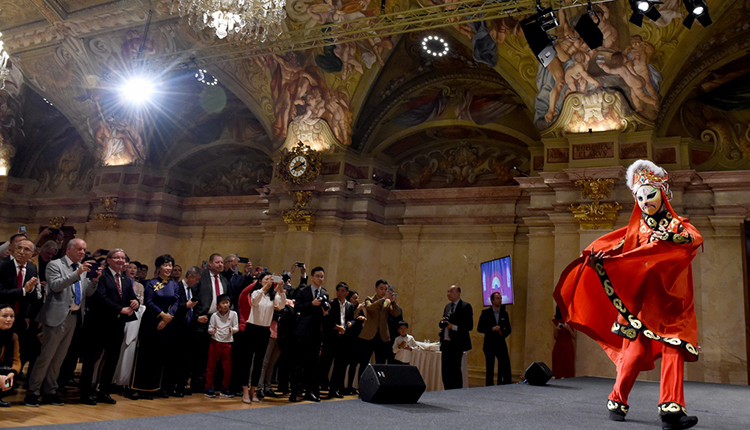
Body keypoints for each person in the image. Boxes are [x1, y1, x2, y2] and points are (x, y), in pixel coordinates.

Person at [554, 159, 702, 430]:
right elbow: (616, 248)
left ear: (662, 194)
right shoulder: (637, 231)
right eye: (640, 197)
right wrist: (600, 258)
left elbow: (694, 239)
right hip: (642, 304)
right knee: (634, 354)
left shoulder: (677, 226)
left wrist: (670, 239)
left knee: (674, 348)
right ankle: (616, 399)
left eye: (650, 195)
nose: (645, 202)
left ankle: (671, 410)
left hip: (674, 303)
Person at [25, 238, 101, 407]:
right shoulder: (55, 265)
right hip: (56, 317)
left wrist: (94, 281)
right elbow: (56, 286)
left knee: (59, 357)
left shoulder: (81, 268)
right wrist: (77, 273)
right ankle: (33, 391)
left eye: (84, 249)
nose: (82, 252)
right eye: (79, 249)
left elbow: (87, 293)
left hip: (73, 316)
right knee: (46, 356)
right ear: (69, 249)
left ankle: (50, 390)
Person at [79, 249, 138, 405]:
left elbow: (131, 296)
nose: (121, 260)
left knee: (112, 359)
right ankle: (85, 393)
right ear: (109, 260)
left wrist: (135, 302)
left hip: (117, 325)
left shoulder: (126, 280)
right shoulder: (102, 275)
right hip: (99, 323)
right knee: (92, 359)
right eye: (117, 258)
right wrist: (119, 309)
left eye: (123, 258)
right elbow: (100, 297)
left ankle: (104, 392)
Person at [130, 254, 180, 400]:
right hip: (151, 322)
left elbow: (176, 302)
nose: (168, 268)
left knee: (159, 356)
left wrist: (169, 316)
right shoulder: (151, 283)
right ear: (158, 267)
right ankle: (138, 388)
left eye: (170, 265)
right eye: (165, 265)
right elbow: (149, 301)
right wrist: (162, 314)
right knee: (146, 355)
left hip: (167, 323)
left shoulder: (174, 285)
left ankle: (154, 387)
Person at [239, 273, 286, 403]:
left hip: (264, 330)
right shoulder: (255, 293)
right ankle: (244, 391)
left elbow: (281, 305)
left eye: (271, 279)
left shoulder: (273, 296)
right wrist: (265, 287)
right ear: (260, 281)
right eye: (266, 279)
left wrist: (281, 289)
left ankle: (253, 390)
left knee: (259, 362)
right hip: (251, 328)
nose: (269, 281)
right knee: (247, 360)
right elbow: (254, 301)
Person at [289, 266, 329, 402]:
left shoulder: (324, 293)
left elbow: (325, 313)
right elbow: (297, 307)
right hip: (303, 331)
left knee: (312, 365)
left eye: (322, 276)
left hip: (317, 332)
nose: (320, 279)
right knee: (298, 363)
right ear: (312, 277)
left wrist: (325, 312)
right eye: (317, 276)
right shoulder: (303, 291)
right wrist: (311, 304)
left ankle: (309, 392)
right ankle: (294, 392)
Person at [191, 253, 229, 392]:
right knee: (199, 353)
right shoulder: (201, 277)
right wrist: (196, 316)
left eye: (221, 262)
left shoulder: (224, 280)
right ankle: (196, 383)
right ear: (210, 263)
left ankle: (209, 383)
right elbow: (192, 297)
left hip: (218, 321)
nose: (220, 265)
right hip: (202, 319)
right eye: (217, 262)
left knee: (213, 355)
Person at [321, 281, 354, 398]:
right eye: (338, 290)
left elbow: (352, 319)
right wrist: (336, 327)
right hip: (332, 338)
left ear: (347, 293)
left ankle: (334, 390)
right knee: (326, 363)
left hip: (343, 338)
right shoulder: (331, 303)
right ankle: (319, 387)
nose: (340, 293)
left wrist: (350, 323)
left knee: (339, 366)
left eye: (343, 291)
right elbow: (326, 320)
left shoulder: (350, 305)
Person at [358, 279, 400, 370]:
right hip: (369, 335)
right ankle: (362, 379)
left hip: (382, 335)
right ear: (376, 289)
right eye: (381, 288)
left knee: (380, 363)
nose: (383, 291)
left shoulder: (388, 302)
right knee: (364, 362)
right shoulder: (369, 299)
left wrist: (393, 302)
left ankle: (378, 379)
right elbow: (369, 308)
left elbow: (396, 313)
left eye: (385, 289)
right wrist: (382, 300)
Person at [439, 284, 473, 390]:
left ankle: (456, 392)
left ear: (458, 293)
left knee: (455, 370)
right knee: (445, 370)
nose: (448, 294)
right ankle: (446, 391)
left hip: (457, 344)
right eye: (448, 292)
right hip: (446, 343)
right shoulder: (447, 307)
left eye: (451, 291)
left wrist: (452, 327)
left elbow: (469, 326)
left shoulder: (465, 306)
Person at [205, 294, 238, 399]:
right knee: (211, 367)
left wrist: (232, 330)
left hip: (227, 343)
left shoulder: (233, 314)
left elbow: (236, 327)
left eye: (227, 303)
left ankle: (225, 388)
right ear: (218, 305)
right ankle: (209, 388)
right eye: (223, 303)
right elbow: (209, 329)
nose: (225, 305)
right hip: (215, 342)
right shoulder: (214, 316)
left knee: (227, 368)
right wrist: (212, 331)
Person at [477, 292, 512, 385]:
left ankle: (503, 384)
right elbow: (480, 328)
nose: (500, 300)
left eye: (500, 298)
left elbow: (509, 329)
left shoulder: (504, 313)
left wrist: (502, 333)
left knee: (504, 365)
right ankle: (489, 386)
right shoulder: (485, 313)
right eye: (497, 298)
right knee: (490, 367)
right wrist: (492, 329)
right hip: (489, 343)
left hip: (501, 343)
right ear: (492, 300)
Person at [0, 304, 21, 407]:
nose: (9, 319)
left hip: (2, 370)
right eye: (5, 316)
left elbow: (16, 360)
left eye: (12, 316)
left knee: (9, 383)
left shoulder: (13, 336)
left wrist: (12, 373)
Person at [552, 306, 575, 379]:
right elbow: (555, 337)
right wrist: (557, 329)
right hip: (559, 345)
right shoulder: (555, 321)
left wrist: (569, 329)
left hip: (568, 345)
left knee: (568, 364)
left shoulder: (571, 321)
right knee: (558, 365)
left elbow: (574, 337)